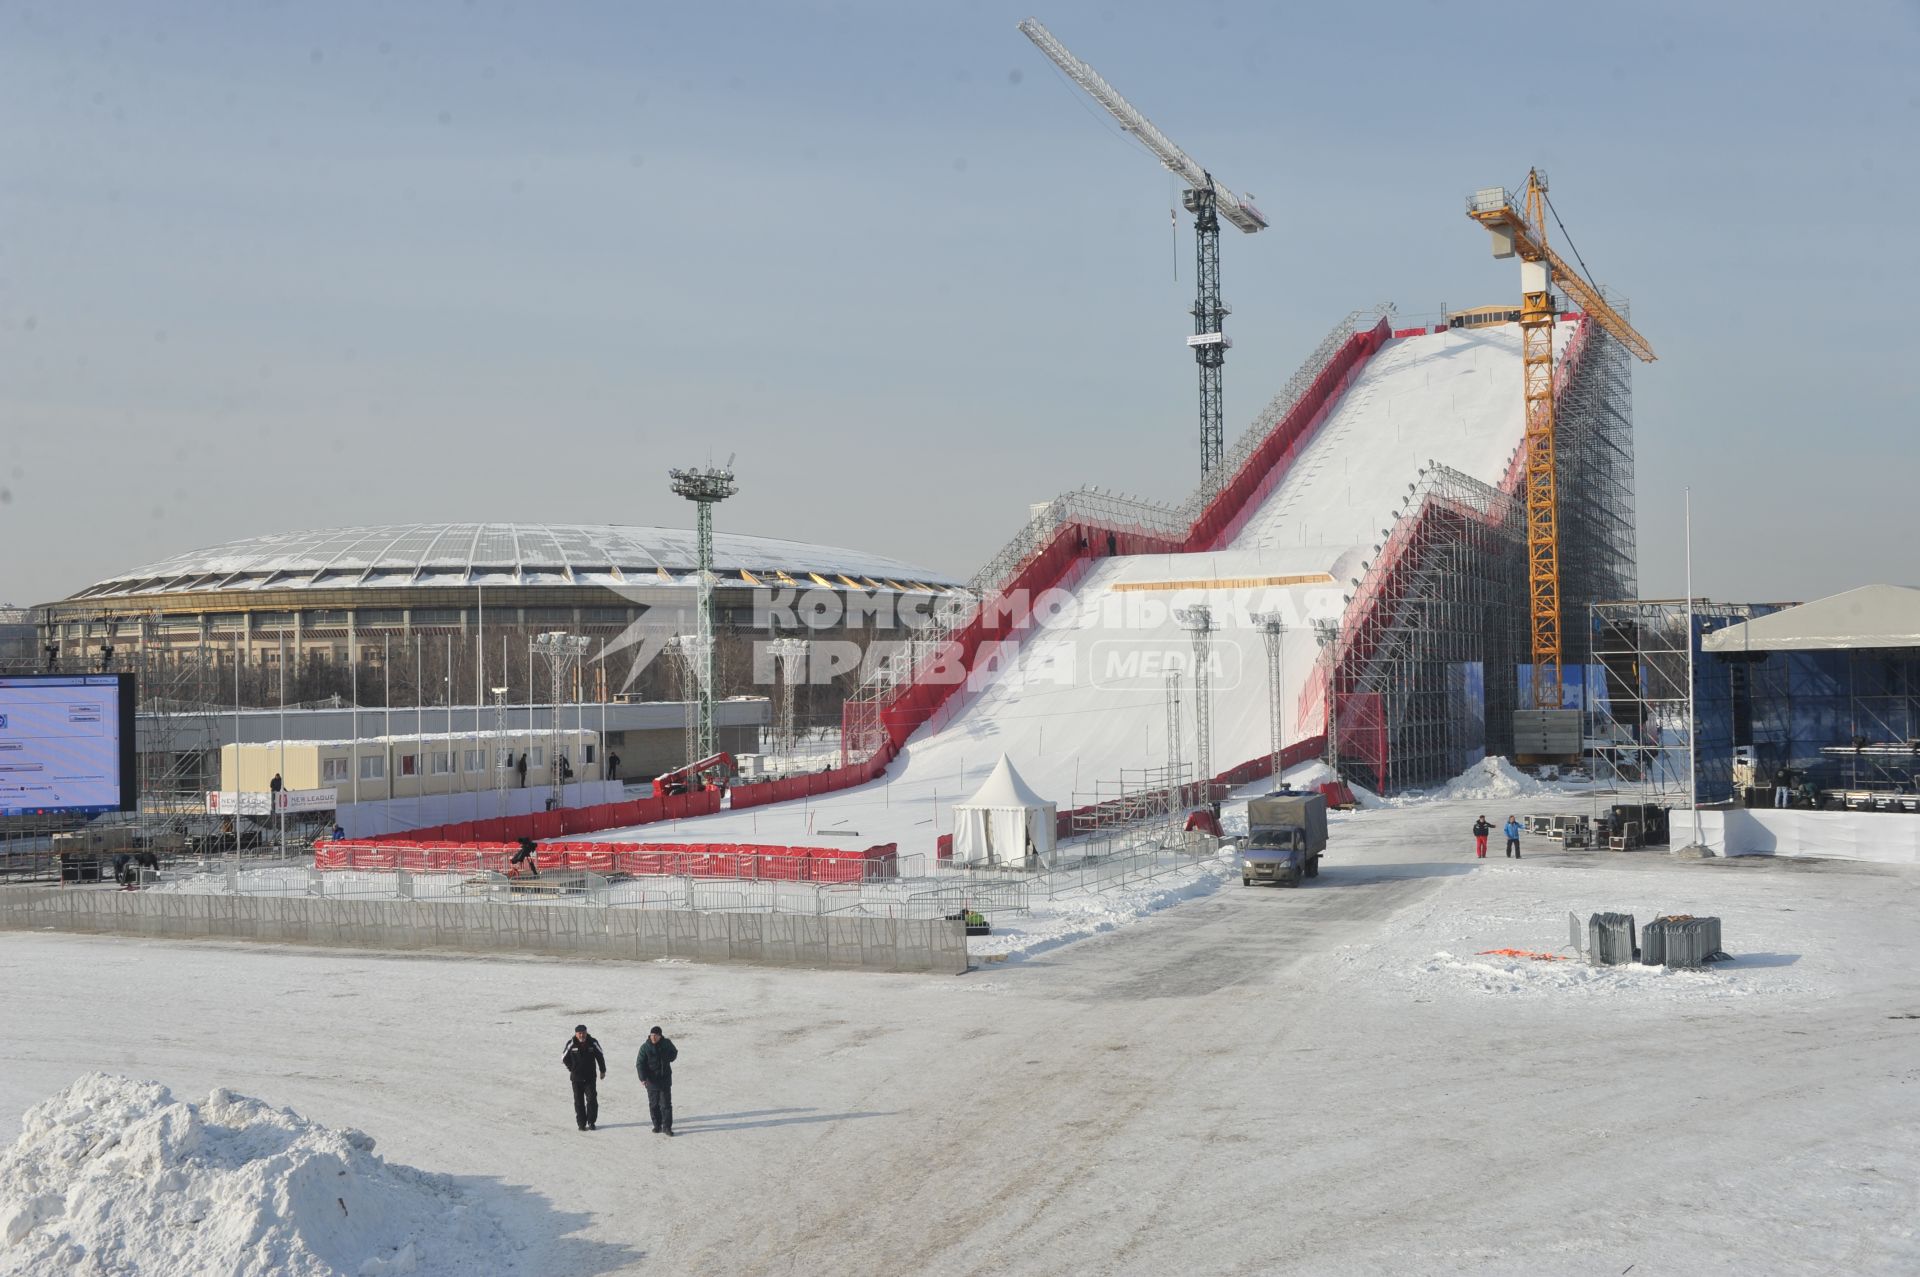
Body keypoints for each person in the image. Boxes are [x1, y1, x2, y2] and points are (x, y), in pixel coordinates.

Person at [562, 1024, 606, 1131]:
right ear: (576, 1034)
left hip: (590, 1077)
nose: (582, 1035)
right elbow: (564, 1057)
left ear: (586, 1032)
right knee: (579, 1101)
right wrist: (572, 1068)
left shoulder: (593, 1042)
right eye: (579, 1033)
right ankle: (581, 1124)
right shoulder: (571, 1043)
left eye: (584, 1033)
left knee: (591, 1099)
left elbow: (600, 1056)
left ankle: (591, 1122)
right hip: (576, 1079)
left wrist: (602, 1070)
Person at [636, 1025, 678, 1136]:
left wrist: (668, 1058)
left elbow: (674, 1052)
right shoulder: (645, 1047)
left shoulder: (666, 1043)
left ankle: (667, 1127)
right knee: (654, 1105)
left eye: (656, 1036)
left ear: (660, 1036)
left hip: (665, 1080)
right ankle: (657, 1125)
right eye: (652, 1035)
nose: (653, 1037)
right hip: (651, 1081)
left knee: (666, 1105)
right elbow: (640, 1063)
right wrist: (643, 1078)